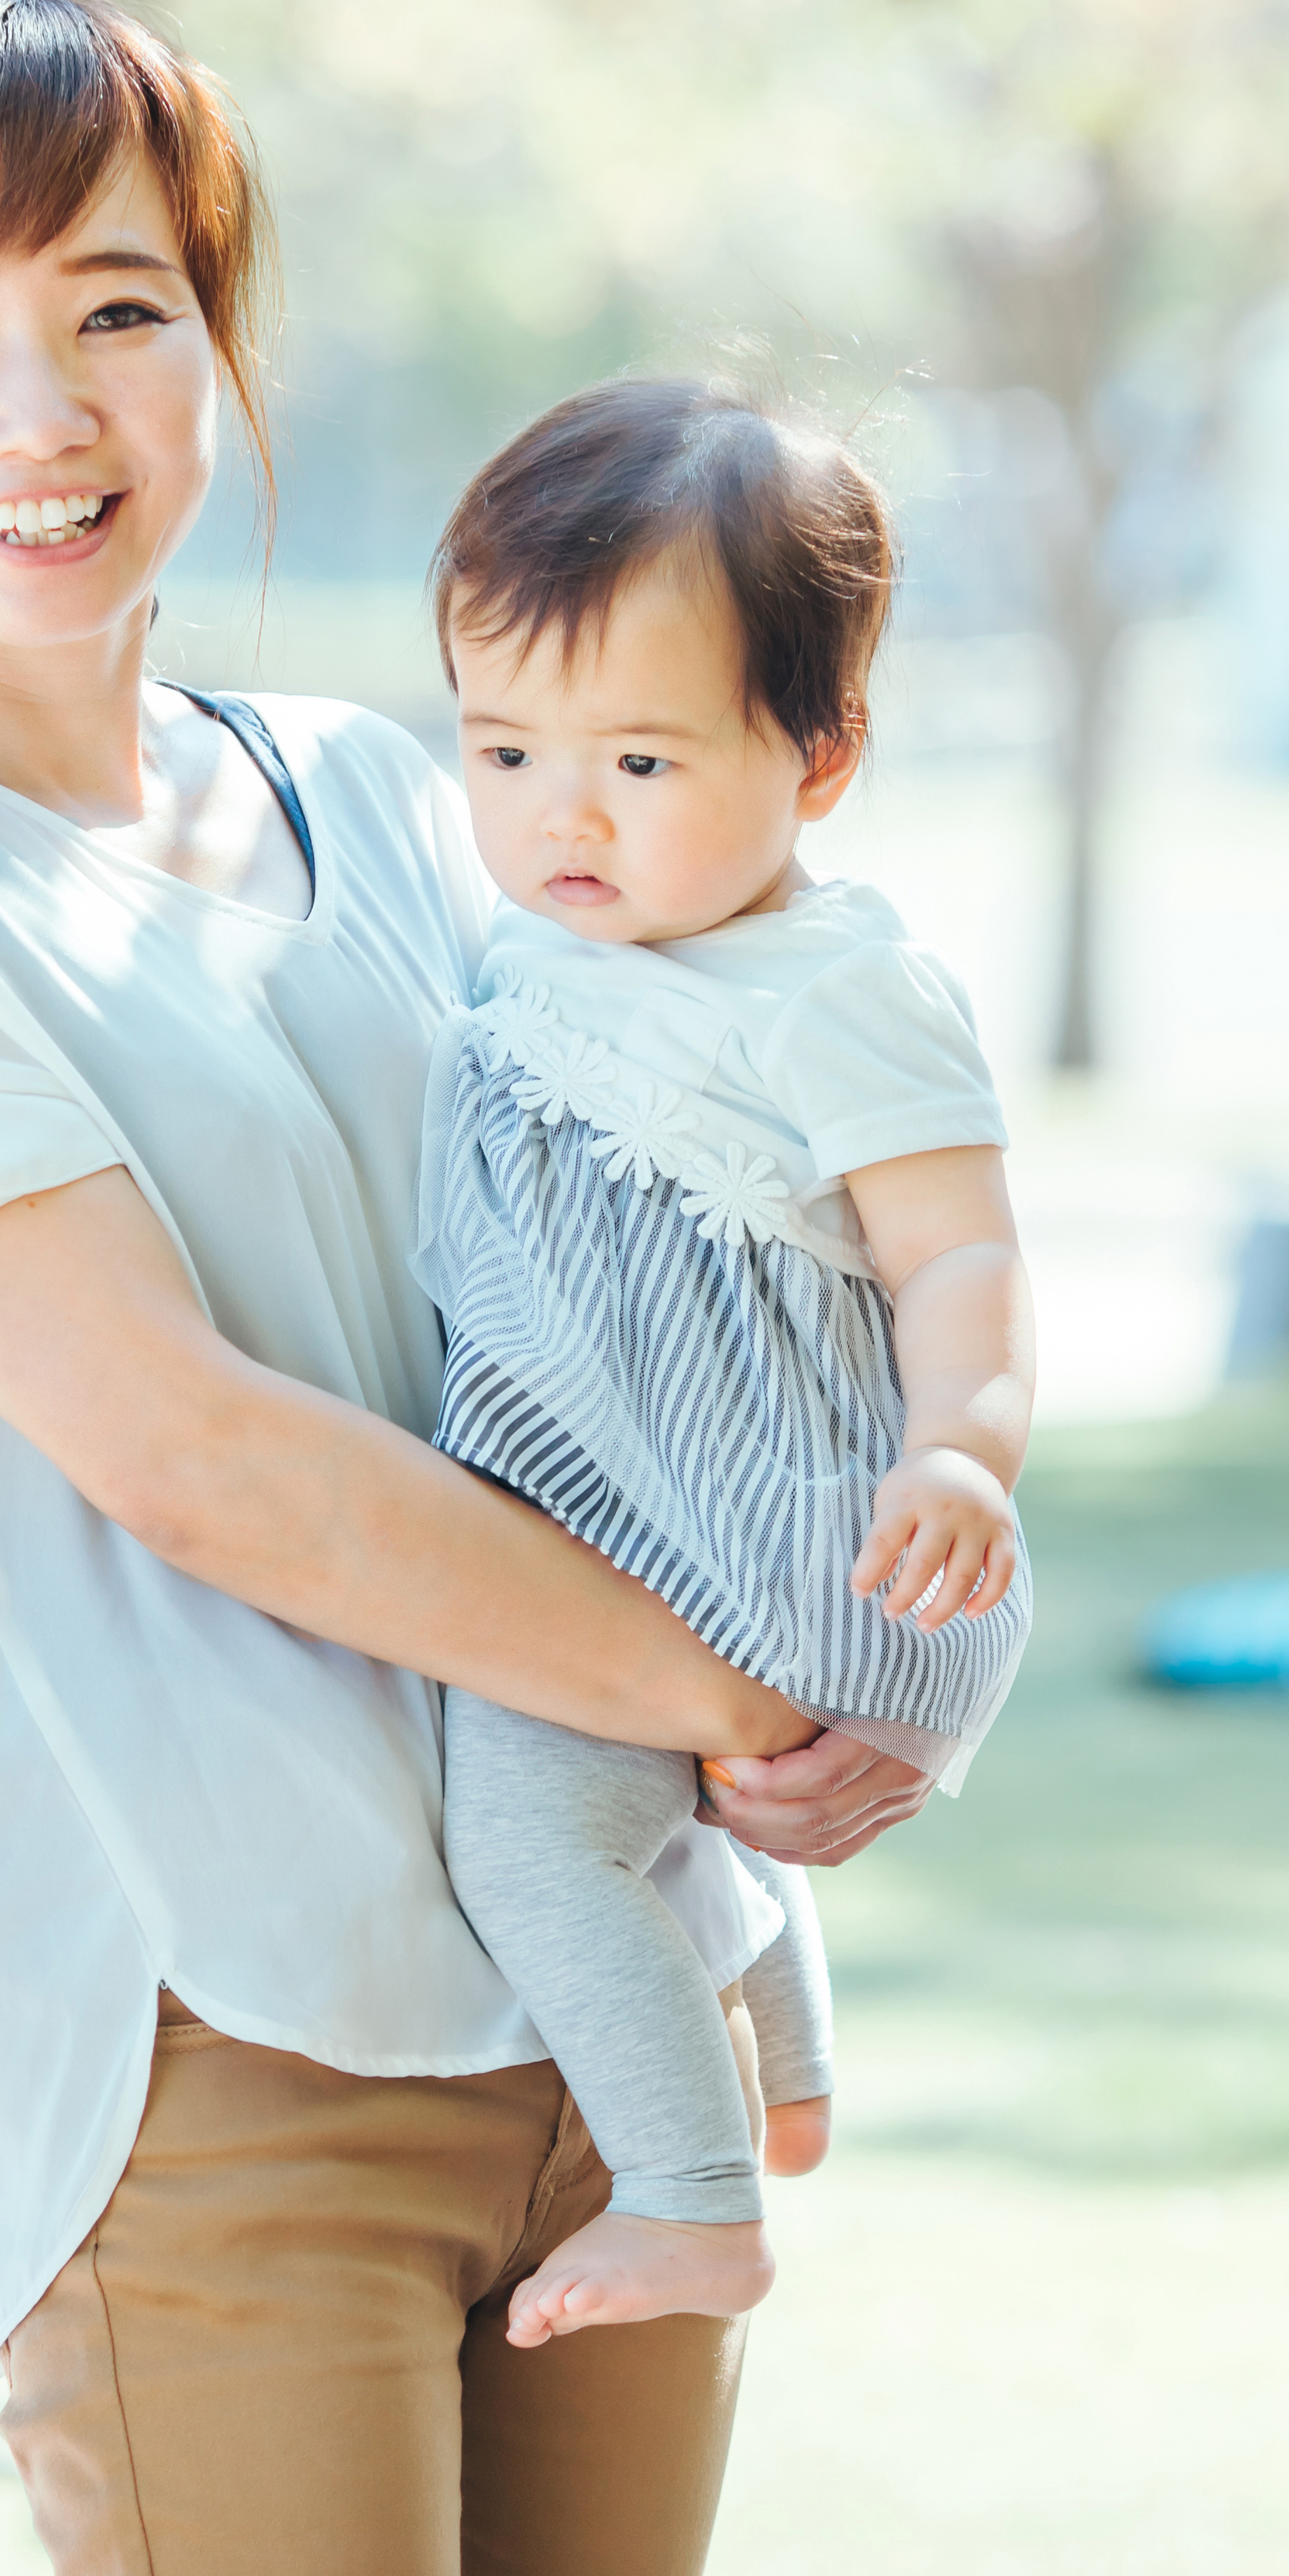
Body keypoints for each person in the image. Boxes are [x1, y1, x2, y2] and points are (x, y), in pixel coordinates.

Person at [0, 0, 920, 2576]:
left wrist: (791, 1811)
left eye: (116, 310)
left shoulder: (410, 801)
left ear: (220, 356)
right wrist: (758, 1701)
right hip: (211, 2065)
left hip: (593, 2002)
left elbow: (655, 1331)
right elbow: (201, 1453)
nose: (38, 409)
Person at [412, 377, 1034, 2346]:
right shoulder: (541, 954)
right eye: (503, 747)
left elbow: (962, 1255)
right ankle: (782, 2057)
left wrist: (967, 1453)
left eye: (643, 761)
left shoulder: (842, 990)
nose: (558, 815)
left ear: (821, 754)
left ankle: (692, 2204)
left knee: (534, 1830)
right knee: (676, 1806)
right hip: (649, 1511)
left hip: (784, 1536)